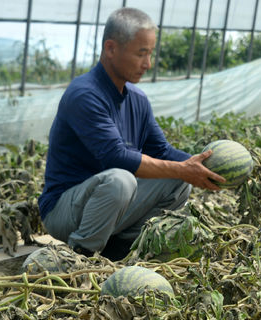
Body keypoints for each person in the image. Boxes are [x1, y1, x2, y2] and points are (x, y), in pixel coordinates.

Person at [38, 7, 224, 261]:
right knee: (121, 179)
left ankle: (121, 250)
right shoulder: (84, 95)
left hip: (112, 205)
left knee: (178, 179)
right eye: (141, 53)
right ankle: (79, 255)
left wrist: (207, 165)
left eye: (150, 53)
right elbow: (116, 157)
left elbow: (162, 151)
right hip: (64, 210)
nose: (148, 64)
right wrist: (182, 168)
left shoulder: (138, 100)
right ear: (111, 48)